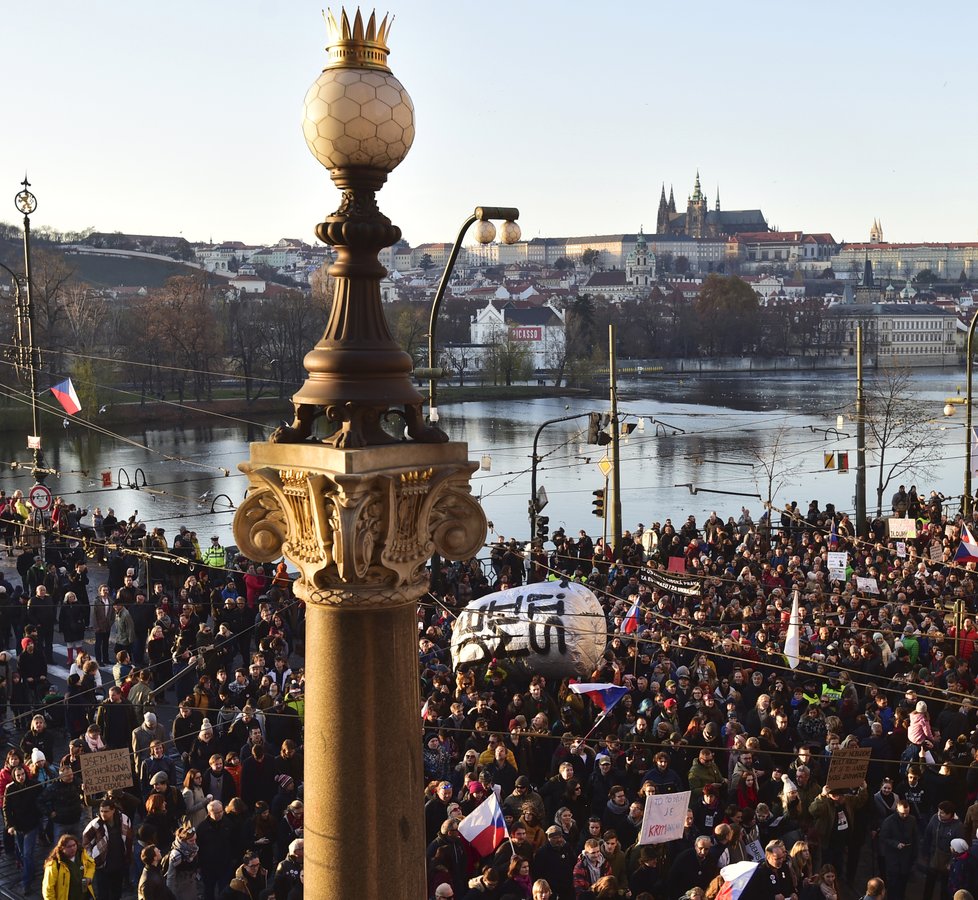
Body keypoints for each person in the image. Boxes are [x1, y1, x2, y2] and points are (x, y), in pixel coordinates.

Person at [82, 798, 133, 900]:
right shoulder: (95, 824)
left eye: (106, 811)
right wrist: (92, 857)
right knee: (103, 894)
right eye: (101, 811)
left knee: (117, 892)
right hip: (102, 865)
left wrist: (128, 855)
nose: (103, 814)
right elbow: (85, 842)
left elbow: (129, 838)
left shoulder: (124, 820)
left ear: (113, 810)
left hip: (119, 862)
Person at [4, 764, 41, 893]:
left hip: (31, 825)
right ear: (14, 776)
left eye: (23, 774)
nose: (21, 777)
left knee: (27, 854)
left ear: (26, 774)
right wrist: (10, 825)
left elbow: (42, 798)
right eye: (18, 775)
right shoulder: (10, 789)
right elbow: (6, 809)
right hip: (18, 827)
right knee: (22, 853)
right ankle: (30, 870)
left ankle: (26, 882)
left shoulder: (34, 785)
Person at [41, 833, 97, 900]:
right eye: (69, 847)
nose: (73, 848)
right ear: (62, 848)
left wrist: (88, 876)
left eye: (74, 845)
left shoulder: (81, 854)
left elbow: (91, 864)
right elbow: (48, 889)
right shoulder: (54, 865)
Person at [164, 822, 200, 900]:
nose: (194, 843)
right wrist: (170, 896)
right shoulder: (176, 855)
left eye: (195, 840)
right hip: (180, 887)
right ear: (183, 841)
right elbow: (170, 877)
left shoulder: (193, 850)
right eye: (191, 841)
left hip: (190, 885)